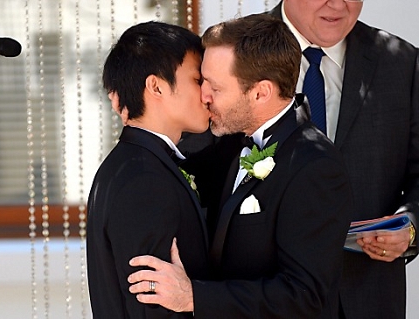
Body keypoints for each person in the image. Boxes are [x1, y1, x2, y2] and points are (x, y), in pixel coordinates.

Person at [128, 14, 354, 318]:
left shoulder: (315, 166)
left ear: (261, 93)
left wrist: (194, 297)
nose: (203, 96)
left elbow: (304, 297)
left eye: (215, 88)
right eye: (202, 80)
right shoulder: (233, 140)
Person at [264, 1, 418, 318]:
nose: (337, 4)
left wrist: (410, 227)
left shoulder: (402, 63)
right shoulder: (232, 49)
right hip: (261, 294)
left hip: (367, 296)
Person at [86, 21, 211, 318]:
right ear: (156, 86)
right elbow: (151, 308)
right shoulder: (143, 179)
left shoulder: (133, 164)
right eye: (197, 79)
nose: (207, 92)